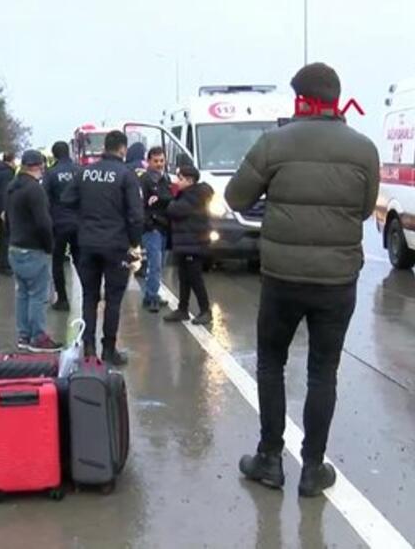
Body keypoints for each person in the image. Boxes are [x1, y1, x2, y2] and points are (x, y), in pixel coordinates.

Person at [225, 63, 380, 497]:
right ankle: (313, 469)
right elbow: (367, 209)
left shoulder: (274, 142)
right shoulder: (364, 148)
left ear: (299, 99)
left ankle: (269, 459)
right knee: (322, 372)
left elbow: (236, 196)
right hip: (337, 281)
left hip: (282, 279)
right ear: (336, 99)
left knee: (271, 363)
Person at [62, 130, 143, 366]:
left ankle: (88, 348)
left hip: (86, 243)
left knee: (89, 296)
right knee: (114, 300)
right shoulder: (126, 175)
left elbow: (67, 200)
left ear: (105, 147)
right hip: (116, 244)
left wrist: (82, 221)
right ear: (122, 149)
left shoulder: (84, 173)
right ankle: (109, 350)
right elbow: (136, 215)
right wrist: (134, 242)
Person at [6, 149, 62, 352]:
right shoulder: (35, 190)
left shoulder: (12, 187)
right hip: (33, 249)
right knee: (38, 295)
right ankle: (38, 337)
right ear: (39, 166)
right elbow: (43, 223)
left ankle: (24, 335)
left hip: (15, 248)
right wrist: (49, 246)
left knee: (22, 294)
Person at [163, 164, 214, 325]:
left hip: (193, 244)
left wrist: (172, 198)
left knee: (194, 278)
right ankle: (182, 309)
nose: (177, 181)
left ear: (190, 180)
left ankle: (205, 310)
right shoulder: (189, 194)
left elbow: (173, 210)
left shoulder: (193, 196)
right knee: (184, 277)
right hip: (186, 244)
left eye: (180, 178)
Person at [42, 141, 80, 311]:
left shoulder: (51, 174)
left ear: (55, 155)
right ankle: (89, 292)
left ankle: (62, 299)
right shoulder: (79, 171)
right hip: (79, 222)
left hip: (58, 224)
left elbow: (45, 200)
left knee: (57, 262)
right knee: (81, 260)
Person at [140, 146, 174, 312]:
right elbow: (141, 205)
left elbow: (170, 198)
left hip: (164, 226)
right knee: (155, 263)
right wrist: (148, 224)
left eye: (162, 160)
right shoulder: (145, 180)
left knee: (159, 264)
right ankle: (152, 296)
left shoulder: (165, 178)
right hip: (152, 227)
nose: (159, 164)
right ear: (149, 161)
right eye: (156, 161)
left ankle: (150, 294)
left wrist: (160, 198)